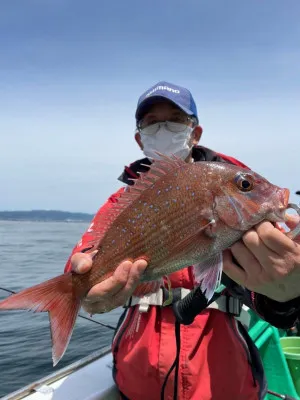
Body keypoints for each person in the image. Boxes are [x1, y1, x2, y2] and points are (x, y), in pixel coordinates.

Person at [65, 81, 300, 400]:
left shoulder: (238, 194)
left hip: (223, 381)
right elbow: (87, 253)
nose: (163, 129)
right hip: (139, 378)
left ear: (195, 132)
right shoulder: (123, 201)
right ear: (139, 138)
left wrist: (286, 296)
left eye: (174, 119)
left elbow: (277, 281)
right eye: (151, 122)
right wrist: (83, 286)